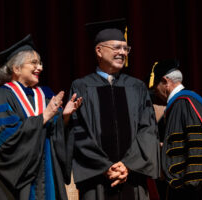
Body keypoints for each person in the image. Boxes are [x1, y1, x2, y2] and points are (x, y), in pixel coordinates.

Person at [68, 19, 159, 200]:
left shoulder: (137, 87)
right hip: (97, 180)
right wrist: (104, 167)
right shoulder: (82, 87)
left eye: (126, 49)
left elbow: (148, 130)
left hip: (133, 177)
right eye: (117, 48)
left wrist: (127, 165)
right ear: (99, 51)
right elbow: (77, 131)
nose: (122, 53)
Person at [0, 34, 82, 200]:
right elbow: (5, 138)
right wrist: (43, 117)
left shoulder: (45, 96)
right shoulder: (1, 96)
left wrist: (64, 117)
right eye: (34, 63)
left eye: (40, 63)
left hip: (48, 175)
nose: (40, 67)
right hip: (19, 182)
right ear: (16, 68)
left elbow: (56, 136)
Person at [148, 59, 202, 200]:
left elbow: (194, 151)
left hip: (193, 191)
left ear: (166, 81)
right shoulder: (191, 101)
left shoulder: (182, 104)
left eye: (155, 87)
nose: (156, 93)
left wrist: (190, 184)